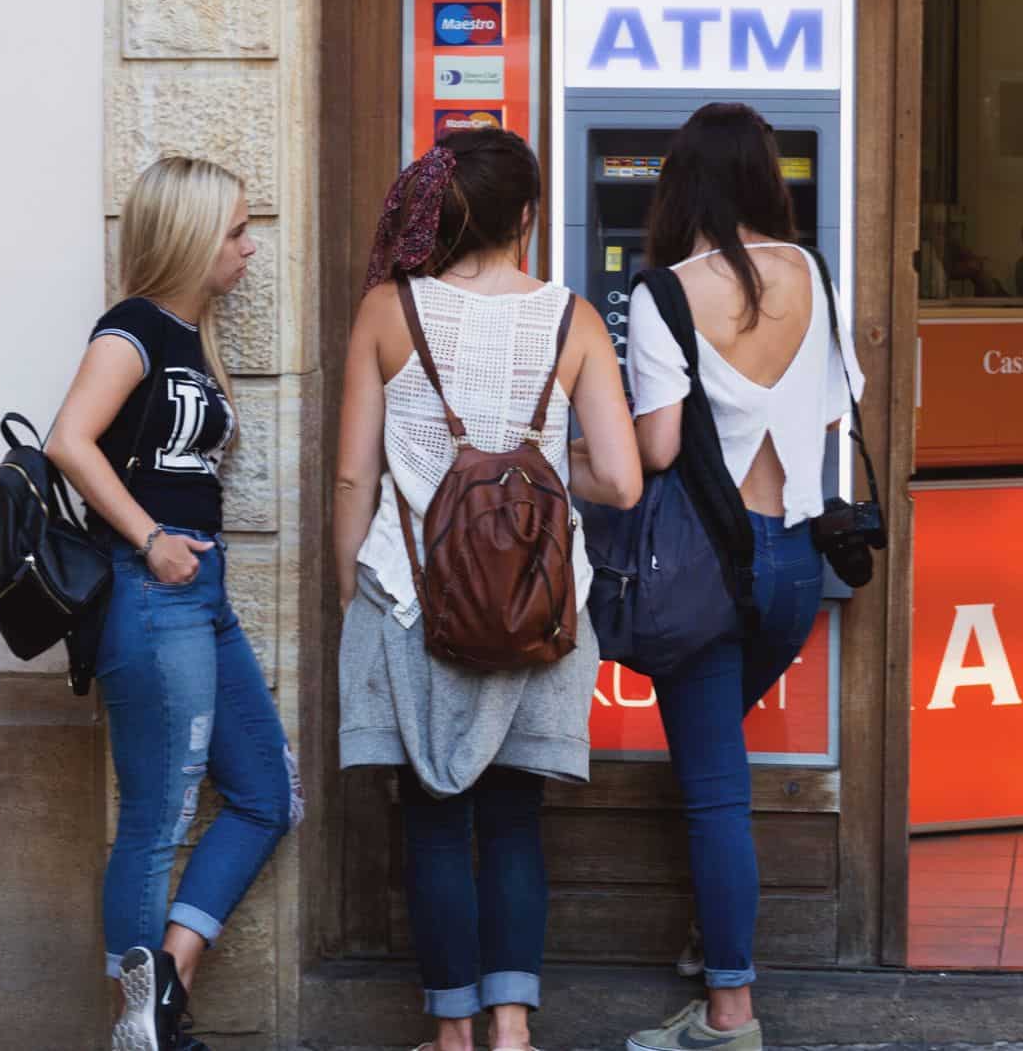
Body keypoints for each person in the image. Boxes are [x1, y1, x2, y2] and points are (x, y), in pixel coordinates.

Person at [332, 129, 641, 1051]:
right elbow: (622, 480)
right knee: (513, 818)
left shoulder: (389, 310)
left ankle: (453, 1035)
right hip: (542, 605)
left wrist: (353, 587)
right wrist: (542, 467)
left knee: (434, 817)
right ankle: (513, 1030)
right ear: (527, 219)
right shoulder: (574, 318)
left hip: (417, 600)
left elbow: (355, 477)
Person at [621, 103, 865, 1051]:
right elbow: (837, 420)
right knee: (717, 766)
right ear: (768, 177)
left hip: (705, 570)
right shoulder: (814, 276)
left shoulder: (664, 293)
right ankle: (712, 935)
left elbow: (657, 445)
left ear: (682, 181)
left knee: (716, 791)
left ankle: (729, 1014)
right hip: (794, 566)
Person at [47, 156, 301, 1051]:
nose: (248, 248)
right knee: (156, 817)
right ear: (192, 236)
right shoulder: (132, 330)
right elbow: (68, 440)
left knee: (268, 794)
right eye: (235, 230)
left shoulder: (191, 337)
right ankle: (137, 1019)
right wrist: (149, 536)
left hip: (203, 590)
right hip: (152, 595)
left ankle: (165, 986)